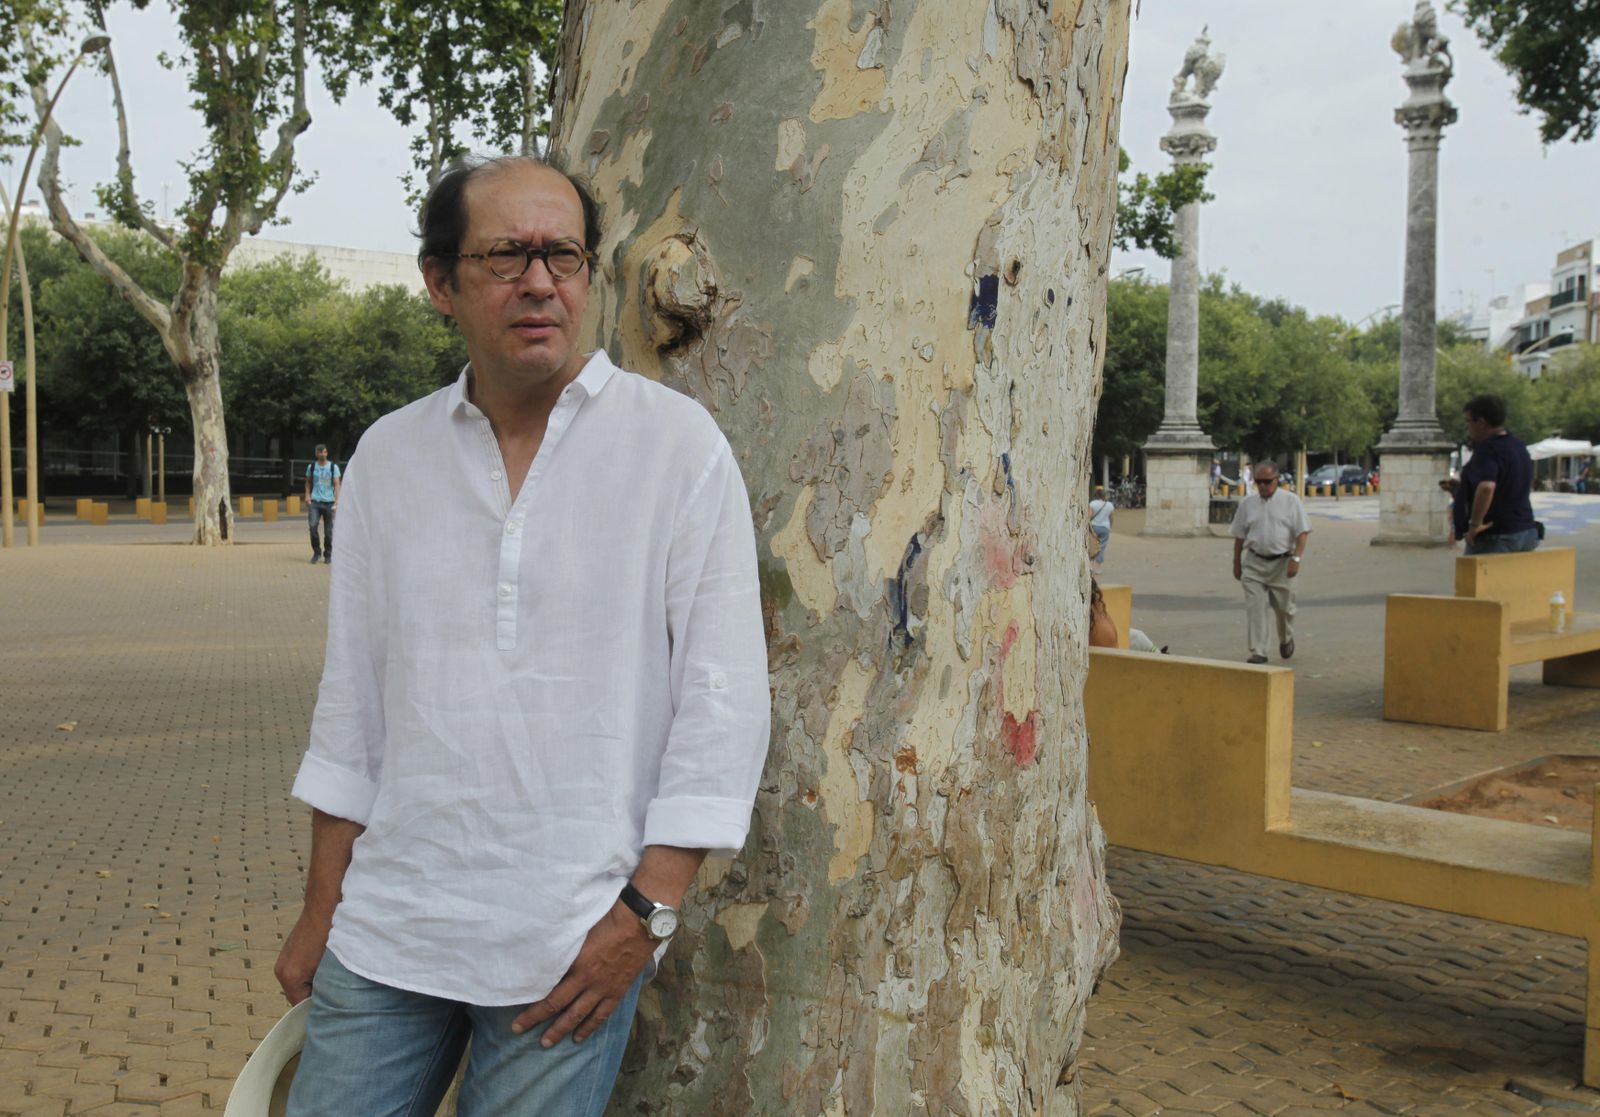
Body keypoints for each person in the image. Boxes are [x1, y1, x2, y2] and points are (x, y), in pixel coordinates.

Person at [274, 155, 771, 1115]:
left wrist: (646, 915)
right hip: (388, 932)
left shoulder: (676, 449)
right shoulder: (390, 456)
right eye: (507, 255)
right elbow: (354, 709)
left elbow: (723, 698)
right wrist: (320, 910)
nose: (541, 281)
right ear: (439, 282)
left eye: (565, 255)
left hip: (572, 940)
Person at [1229, 461, 1310, 664]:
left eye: (1267, 482)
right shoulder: (1247, 504)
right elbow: (1239, 536)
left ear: (1277, 480)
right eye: (1259, 482)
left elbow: (1302, 532)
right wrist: (1236, 563)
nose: (1263, 486)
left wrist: (1296, 559)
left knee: (1284, 609)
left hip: (1283, 563)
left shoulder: (1291, 501)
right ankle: (1259, 650)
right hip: (1254, 562)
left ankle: (1286, 637)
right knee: (1255, 608)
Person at [1452, 393, 1537, 555]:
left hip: (1496, 534)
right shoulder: (1518, 446)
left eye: (1468, 421)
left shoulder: (1488, 449)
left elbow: (1486, 487)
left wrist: (1474, 525)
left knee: (1476, 579)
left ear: (1481, 422)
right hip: (1525, 528)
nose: (1467, 427)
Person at [304, 444, 340, 564]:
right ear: (316, 454)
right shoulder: (312, 467)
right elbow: (308, 482)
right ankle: (316, 552)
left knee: (328, 531)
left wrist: (337, 500)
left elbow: (337, 484)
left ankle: (328, 554)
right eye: (320, 452)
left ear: (327, 453)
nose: (322, 454)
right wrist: (307, 495)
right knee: (313, 527)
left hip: (329, 503)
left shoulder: (333, 467)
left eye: (324, 452)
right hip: (315, 502)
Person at [1088, 488, 1114, 567]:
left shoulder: (1093, 503)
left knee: (1092, 545)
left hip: (1094, 527)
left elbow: (1089, 516)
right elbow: (1111, 518)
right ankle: (1098, 566)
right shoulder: (1110, 505)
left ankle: (1091, 563)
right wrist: (1110, 527)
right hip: (1105, 528)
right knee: (1102, 547)